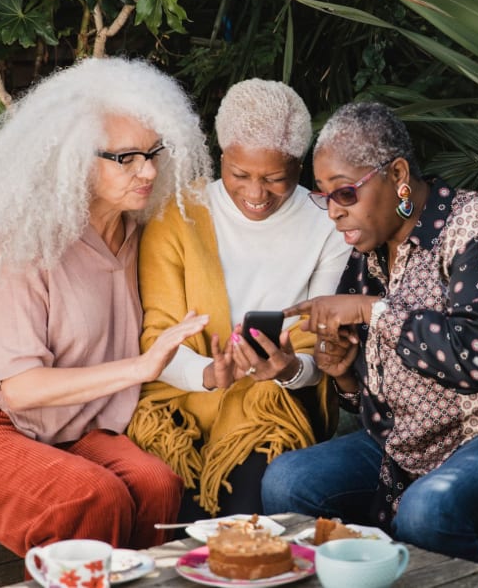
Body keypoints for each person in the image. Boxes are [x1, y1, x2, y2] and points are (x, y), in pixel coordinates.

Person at [262, 102, 478, 564]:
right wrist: (344, 375)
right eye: (324, 197)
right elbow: (375, 402)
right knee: (287, 481)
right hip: (408, 444)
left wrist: (371, 309)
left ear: (396, 174)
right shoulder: (369, 257)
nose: (333, 213)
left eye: (345, 193)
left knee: (427, 509)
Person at [0, 57, 214, 556]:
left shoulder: (142, 231)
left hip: (72, 432)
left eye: (153, 152)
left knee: (158, 484)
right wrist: (139, 368)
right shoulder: (26, 245)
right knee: (93, 496)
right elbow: (21, 388)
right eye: (124, 158)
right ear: (73, 158)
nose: (147, 170)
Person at [127, 79, 352, 518]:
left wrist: (287, 371)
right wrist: (211, 374)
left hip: (274, 407)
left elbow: (318, 349)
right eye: (240, 175)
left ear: (299, 165)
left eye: (275, 179)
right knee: (174, 509)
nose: (255, 194)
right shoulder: (177, 213)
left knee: (243, 505)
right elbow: (157, 338)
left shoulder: (327, 224)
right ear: (222, 156)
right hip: (182, 402)